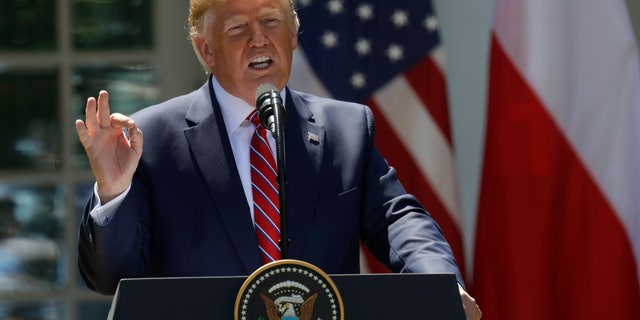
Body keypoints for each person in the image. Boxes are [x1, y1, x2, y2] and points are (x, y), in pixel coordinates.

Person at [75, 0, 481, 319]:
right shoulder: (153, 139)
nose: (259, 40)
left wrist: (439, 284)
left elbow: (397, 218)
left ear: (293, 36)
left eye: (271, 22)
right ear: (206, 50)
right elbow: (110, 278)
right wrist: (113, 191)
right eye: (238, 28)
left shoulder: (345, 128)